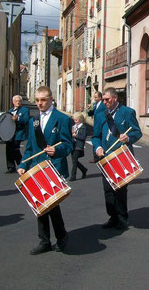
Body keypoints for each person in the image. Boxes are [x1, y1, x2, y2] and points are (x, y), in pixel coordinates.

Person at [17, 86, 73, 255]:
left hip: (54, 167)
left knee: (52, 205)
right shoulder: (33, 120)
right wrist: (22, 165)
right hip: (37, 167)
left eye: (43, 100)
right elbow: (30, 147)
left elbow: (68, 144)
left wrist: (57, 151)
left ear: (51, 99)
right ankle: (45, 241)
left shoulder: (62, 119)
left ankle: (61, 236)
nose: (39, 103)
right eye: (37, 100)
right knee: (39, 205)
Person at [92, 87, 142, 230]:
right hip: (105, 157)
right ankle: (112, 217)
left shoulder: (127, 112)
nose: (105, 102)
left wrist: (128, 137)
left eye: (107, 100)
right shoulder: (100, 115)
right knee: (108, 190)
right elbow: (95, 136)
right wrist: (98, 147)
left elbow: (137, 132)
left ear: (115, 98)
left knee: (120, 189)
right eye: (103, 100)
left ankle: (122, 217)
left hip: (121, 156)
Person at [6, 95, 29, 173]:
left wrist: (18, 119)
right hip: (10, 133)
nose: (18, 102)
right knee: (8, 148)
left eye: (19, 101)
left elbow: (26, 120)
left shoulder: (25, 110)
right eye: (16, 101)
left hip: (19, 133)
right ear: (13, 102)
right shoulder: (10, 111)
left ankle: (22, 164)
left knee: (15, 148)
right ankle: (10, 167)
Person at [88, 91, 105, 163]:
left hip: (101, 125)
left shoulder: (103, 105)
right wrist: (90, 109)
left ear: (100, 97)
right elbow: (90, 114)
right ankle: (95, 157)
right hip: (95, 125)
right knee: (95, 140)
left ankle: (101, 156)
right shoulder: (95, 104)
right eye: (94, 97)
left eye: (96, 97)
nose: (94, 98)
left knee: (100, 140)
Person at [70, 112, 88, 181]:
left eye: (76, 120)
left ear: (80, 119)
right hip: (73, 145)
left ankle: (73, 176)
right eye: (74, 120)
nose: (75, 121)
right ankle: (83, 169)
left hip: (78, 145)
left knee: (74, 160)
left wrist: (76, 136)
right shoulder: (74, 127)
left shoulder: (83, 127)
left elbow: (83, 137)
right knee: (74, 160)